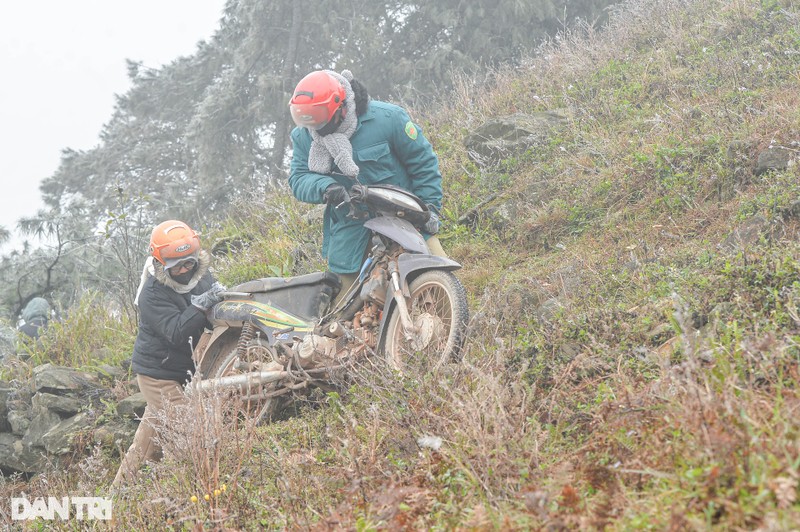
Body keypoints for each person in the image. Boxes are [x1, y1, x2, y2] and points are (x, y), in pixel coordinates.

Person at [287, 69, 447, 302]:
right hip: (351, 230)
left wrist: (429, 210)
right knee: (341, 310)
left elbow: (423, 163)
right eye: (306, 117)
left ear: (340, 107)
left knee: (441, 280)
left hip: (406, 218)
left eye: (319, 116)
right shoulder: (304, 136)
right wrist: (326, 187)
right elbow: (298, 178)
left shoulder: (388, 119)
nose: (314, 126)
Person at [112, 220, 226, 487]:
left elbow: (213, 305)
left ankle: (117, 497)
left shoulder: (201, 275)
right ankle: (188, 487)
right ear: (163, 265)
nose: (186, 271)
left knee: (145, 448)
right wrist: (200, 306)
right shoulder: (152, 294)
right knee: (190, 430)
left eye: (190, 263)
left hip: (185, 370)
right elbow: (176, 334)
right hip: (158, 375)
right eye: (178, 267)